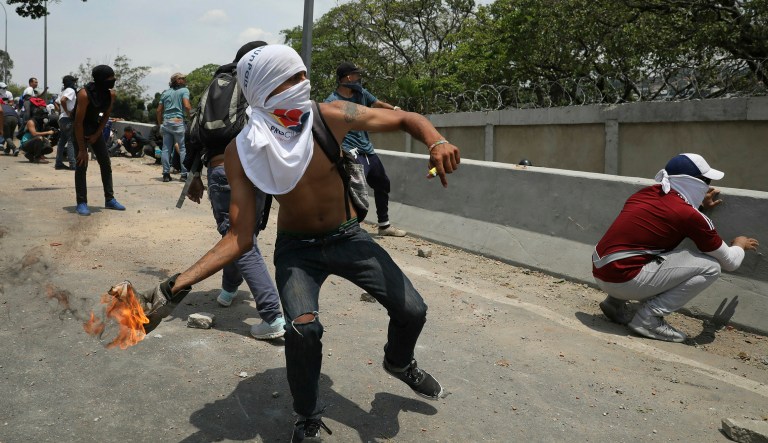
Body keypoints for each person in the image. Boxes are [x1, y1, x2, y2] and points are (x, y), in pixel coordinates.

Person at [136, 45, 460, 442]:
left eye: (302, 76)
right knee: (303, 331)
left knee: (413, 309)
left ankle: (398, 362)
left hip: (348, 238)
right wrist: (176, 285)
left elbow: (406, 118)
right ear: (263, 88)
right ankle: (306, 415)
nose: (302, 85)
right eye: (289, 79)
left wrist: (436, 141)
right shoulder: (244, 150)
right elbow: (239, 237)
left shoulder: (331, 117)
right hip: (298, 250)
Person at [593, 153, 759, 343]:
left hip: (601, 271)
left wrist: (699, 206)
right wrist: (739, 244)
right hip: (624, 280)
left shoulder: (645, 193)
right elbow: (731, 262)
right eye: (707, 180)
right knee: (711, 267)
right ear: (695, 183)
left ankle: (614, 303)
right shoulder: (688, 215)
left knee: (649, 249)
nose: (708, 185)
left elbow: (670, 217)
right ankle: (649, 318)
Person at [185, 41, 286, 340]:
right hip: (257, 171)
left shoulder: (217, 85)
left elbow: (194, 132)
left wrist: (192, 174)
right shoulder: (261, 84)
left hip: (223, 168)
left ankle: (271, 316)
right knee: (243, 237)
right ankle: (230, 291)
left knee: (240, 238)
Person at [324, 62, 408, 237]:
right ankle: (349, 228)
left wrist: (395, 110)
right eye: (356, 75)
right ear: (347, 78)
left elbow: (377, 103)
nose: (359, 78)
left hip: (367, 150)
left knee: (382, 183)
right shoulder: (332, 102)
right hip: (350, 151)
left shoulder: (361, 93)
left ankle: (384, 225)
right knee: (355, 191)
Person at [73, 65, 126, 216]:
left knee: (105, 162)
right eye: (110, 78)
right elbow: (77, 123)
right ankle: (81, 202)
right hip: (79, 128)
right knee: (81, 164)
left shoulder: (110, 95)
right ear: (101, 79)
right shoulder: (84, 94)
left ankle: (109, 199)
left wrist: (97, 134)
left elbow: (105, 116)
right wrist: (82, 149)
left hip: (95, 127)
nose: (113, 80)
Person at [157, 73, 192, 182]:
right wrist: (192, 117)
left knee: (166, 149)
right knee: (182, 148)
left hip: (166, 122)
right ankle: (184, 175)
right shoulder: (184, 91)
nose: (184, 80)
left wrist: (160, 124)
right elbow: (186, 106)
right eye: (182, 78)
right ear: (178, 81)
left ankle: (166, 174)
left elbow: (158, 110)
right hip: (178, 121)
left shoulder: (165, 93)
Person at [54, 75, 78, 171]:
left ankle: (58, 163)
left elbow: (57, 102)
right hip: (68, 119)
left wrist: (61, 111)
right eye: (74, 82)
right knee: (71, 141)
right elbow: (63, 100)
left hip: (61, 119)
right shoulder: (70, 91)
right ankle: (73, 164)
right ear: (71, 82)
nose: (75, 84)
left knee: (62, 141)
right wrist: (68, 112)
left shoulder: (62, 91)